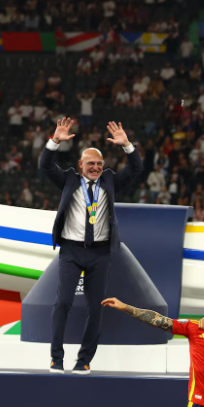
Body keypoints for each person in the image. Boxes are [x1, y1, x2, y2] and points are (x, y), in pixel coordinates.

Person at [42, 118, 143, 374]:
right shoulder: (67, 180)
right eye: (91, 164)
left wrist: (127, 145)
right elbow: (44, 165)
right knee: (63, 302)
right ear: (80, 165)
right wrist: (54, 140)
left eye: (99, 163)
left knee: (95, 308)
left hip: (100, 253)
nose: (96, 167)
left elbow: (135, 170)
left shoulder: (109, 181)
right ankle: (56, 357)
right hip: (71, 251)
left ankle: (84, 359)